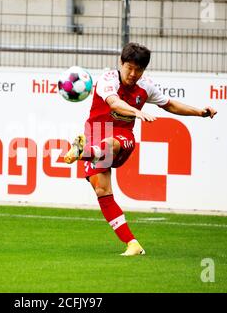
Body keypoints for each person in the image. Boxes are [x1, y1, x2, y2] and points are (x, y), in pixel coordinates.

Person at [64, 42, 217, 256]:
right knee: (101, 190)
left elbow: (170, 104)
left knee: (110, 143)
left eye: (139, 69)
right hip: (96, 131)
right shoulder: (107, 80)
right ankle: (133, 244)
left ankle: (84, 152)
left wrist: (200, 112)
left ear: (144, 70)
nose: (133, 74)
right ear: (121, 63)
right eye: (129, 68)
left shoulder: (146, 86)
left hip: (121, 136)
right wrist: (136, 112)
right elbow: (114, 103)